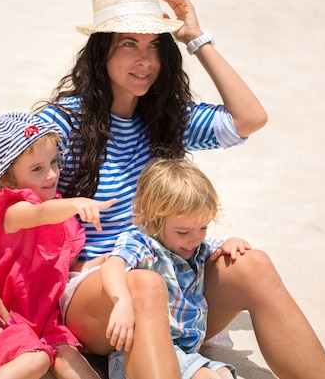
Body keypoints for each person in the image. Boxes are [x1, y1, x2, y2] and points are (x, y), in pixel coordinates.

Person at [0, 0, 325, 379]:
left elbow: (249, 119)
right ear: (101, 52)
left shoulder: (166, 117)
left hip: (172, 276)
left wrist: (196, 39)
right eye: (129, 44)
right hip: (97, 292)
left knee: (254, 266)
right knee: (145, 284)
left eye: (154, 45)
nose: (145, 60)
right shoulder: (65, 121)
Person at [0, 112, 114, 379]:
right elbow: (41, 215)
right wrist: (76, 203)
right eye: (37, 169)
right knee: (38, 359)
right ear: (7, 179)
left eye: (54, 162)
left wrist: (100, 262)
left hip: (43, 318)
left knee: (68, 355)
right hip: (4, 317)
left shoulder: (56, 207)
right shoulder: (13, 210)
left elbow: (63, 263)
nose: (52, 174)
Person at [101, 157, 251, 379]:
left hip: (186, 352)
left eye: (203, 227)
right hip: (144, 353)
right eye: (183, 232)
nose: (194, 238)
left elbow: (219, 246)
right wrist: (121, 300)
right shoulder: (142, 244)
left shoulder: (197, 247)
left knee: (224, 374)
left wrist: (234, 240)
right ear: (153, 219)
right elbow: (113, 264)